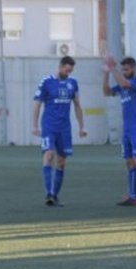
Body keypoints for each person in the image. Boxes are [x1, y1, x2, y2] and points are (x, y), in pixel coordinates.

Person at [33, 56, 87, 206]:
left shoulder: (72, 83)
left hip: (65, 128)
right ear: (60, 66)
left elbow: (77, 105)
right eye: (66, 69)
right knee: (49, 155)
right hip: (49, 126)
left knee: (62, 162)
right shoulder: (47, 82)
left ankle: (54, 196)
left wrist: (82, 126)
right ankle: (48, 193)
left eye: (70, 70)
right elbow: (37, 104)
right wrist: (35, 126)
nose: (68, 72)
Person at [102, 55, 136, 206]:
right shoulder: (123, 85)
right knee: (129, 163)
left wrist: (113, 69)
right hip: (127, 130)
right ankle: (133, 196)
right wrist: (106, 73)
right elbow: (107, 92)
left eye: (126, 69)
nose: (123, 72)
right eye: (122, 69)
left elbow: (123, 83)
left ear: (134, 69)